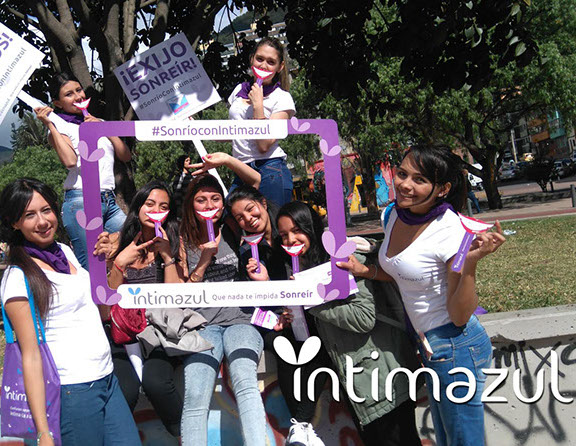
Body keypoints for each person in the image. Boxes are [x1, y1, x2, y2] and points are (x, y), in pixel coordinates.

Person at [338, 145, 506, 446]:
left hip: (455, 345)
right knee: (447, 438)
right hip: (427, 344)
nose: (405, 185)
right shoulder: (393, 214)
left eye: (420, 180)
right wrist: (366, 270)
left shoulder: (449, 231)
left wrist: (469, 262)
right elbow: (406, 273)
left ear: (442, 189)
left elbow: (459, 315)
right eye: (402, 174)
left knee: (463, 441)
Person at [0, 178, 140, 446]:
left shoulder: (65, 252)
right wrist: (43, 432)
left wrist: (111, 264)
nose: (42, 221)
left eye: (46, 210)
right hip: (71, 390)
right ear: (14, 222)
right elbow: (30, 356)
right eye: (29, 215)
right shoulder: (17, 277)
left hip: (106, 378)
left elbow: (101, 311)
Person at [272, 201, 421, 446]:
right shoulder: (306, 268)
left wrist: (311, 301)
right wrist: (295, 315)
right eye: (284, 235)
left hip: (383, 377)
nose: (290, 240)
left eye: (297, 230)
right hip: (358, 384)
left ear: (312, 228)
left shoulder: (343, 260)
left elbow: (363, 318)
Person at [228, 188, 327, 446]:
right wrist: (268, 297)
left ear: (262, 202)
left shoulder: (291, 231)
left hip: (312, 316)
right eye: (239, 217)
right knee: (285, 348)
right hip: (276, 322)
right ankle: (301, 427)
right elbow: (252, 302)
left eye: (250, 209)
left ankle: (300, 425)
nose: (248, 219)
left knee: (315, 347)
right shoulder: (248, 253)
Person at [179, 174, 267, 446]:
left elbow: (254, 187)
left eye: (215, 198)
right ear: (191, 204)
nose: (209, 205)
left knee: (245, 381)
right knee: (196, 394)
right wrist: (204, 261)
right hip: (201, 325)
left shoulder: (231, 226)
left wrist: (222, 162)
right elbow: (181, 292)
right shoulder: (181, 238)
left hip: (240, 319)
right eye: (201, 200)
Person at [106, 180, 189, 437]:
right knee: (124, 390)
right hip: (122, 333)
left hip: (160, 332)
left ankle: (184, 436)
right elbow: (106, 301)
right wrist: (119, 264)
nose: (156, 210)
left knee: (156, 383)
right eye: (150, 204)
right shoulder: (115, 242)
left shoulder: (175, 241)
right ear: (138, 207)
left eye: (163, 206)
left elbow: (175, 300)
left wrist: (167, 257)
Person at [34, 73, 131, 269]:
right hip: (82, 200)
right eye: (69, 94)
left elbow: (125, 155)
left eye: (78, 90)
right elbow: (70, 161)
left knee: (131, 239)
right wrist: (50, 124)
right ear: (57, 103)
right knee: (91, 265)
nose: (78, 96)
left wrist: (104, 128)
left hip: (109, 199)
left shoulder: (99, 121)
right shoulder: (60, 127)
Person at [228, 37, 296, 207]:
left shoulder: (282, 98)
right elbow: (232, 133)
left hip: (269, 169)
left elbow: (263, 145)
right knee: (231, 218)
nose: (264, 66)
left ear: (280, 67)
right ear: (252, 59)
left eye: (271, 62)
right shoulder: (238, 90)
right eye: (259, 59)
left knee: (273, 222)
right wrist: (194, 127)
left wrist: (258, 106)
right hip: (241, 170)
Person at [171, 155, 194, 219]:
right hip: (178, 206)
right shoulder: (178, 176)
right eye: (187, 161)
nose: (189, 162)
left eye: (189, 161)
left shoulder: (192, 176)